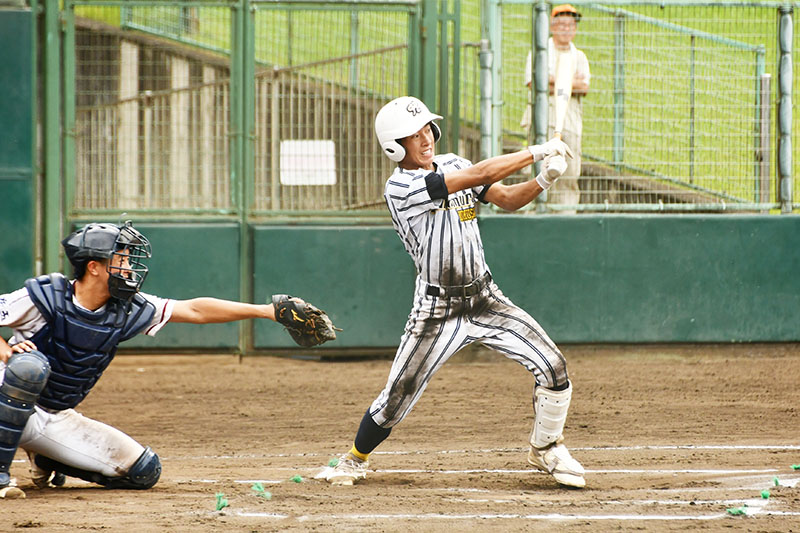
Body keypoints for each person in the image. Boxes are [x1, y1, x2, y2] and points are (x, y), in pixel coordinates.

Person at [316, 96, 585, 489]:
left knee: (554, 368)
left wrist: (546, 178)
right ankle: (355, 459)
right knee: (396, 398)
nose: (425, 138)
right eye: (413, 134)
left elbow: (507, 199)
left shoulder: (455, 163)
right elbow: (477, 175)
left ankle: (546, 448)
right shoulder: (402, 187)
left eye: (427, 128)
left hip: (485, 297)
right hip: (436, 310)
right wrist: (536, 151)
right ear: (395, 146)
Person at [0, 221, 333, 498]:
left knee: (144, 471)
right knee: (29, 367)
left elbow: (195, 309)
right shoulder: (45, 296)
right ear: (94, 267)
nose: (130, 267)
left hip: (52, 416)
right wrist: (6, 351)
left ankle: (46, 457)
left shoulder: (126, 309)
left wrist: (268, 311)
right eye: (122, 258)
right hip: (8, 397)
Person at [521, 3, 590, 214]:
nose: (566, 29)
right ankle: (533, 209)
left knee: (569, 170)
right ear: (552, 26)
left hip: (570, 120)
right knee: (537, 165)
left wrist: (554, 81)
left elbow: (584, 86)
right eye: (561, 24)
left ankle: (565, 214)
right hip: (542, 116)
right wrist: (567, 81)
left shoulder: (579, 57)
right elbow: (534, 83)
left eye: (570, 25)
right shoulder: (539, 53)